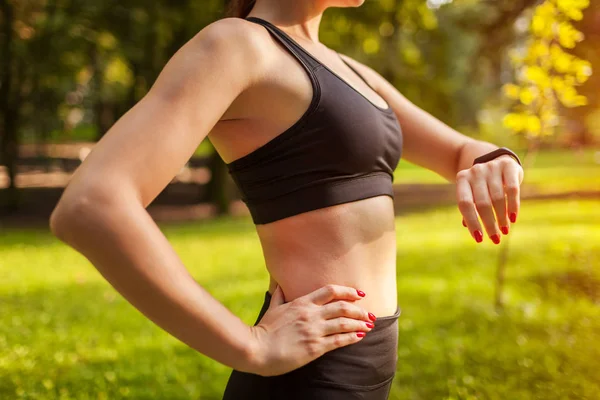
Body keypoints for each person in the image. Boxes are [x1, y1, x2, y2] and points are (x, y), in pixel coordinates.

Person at [49, 0, 524, 398]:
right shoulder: (237, 45)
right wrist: (251, 346)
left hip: (365, 371)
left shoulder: (351, 70)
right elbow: (93, 204)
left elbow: (461, 151)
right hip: (310, 379)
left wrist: (498, 159)